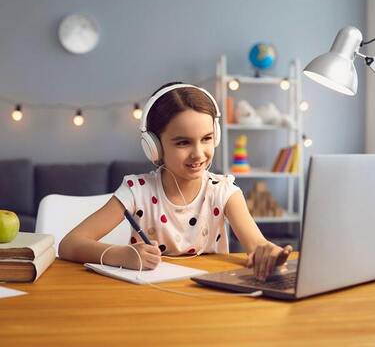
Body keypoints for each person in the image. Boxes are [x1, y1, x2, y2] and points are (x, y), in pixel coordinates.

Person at [59, 82, 292, 281]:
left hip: (209, 296)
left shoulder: (224, 191)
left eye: (207, 139)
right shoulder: (136, 191)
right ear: (154, 146)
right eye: (183, 143)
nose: (198, 153)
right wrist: (121, 255)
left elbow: (258, 245)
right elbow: (69, 244)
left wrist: (269, 253)